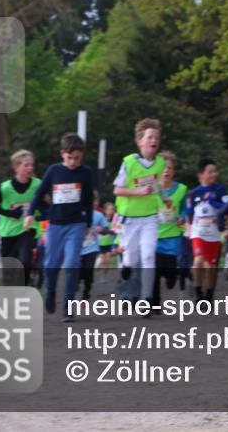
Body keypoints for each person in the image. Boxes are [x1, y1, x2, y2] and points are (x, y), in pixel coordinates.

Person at [24, 133, 95, 321]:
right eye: (70, 158)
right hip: (55, 224)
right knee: (50, 265)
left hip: (76, 224)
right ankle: (51, 291)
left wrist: (88, 223)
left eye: (77, 158)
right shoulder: (54, 170)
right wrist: (30, 213)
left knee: (72, 264)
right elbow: (39, 193)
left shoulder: (85, 172)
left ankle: (68, 307)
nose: (73, 162)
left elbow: (88, 199)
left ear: (82, 156)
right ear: (62, 154)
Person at [113, 118, 167, 306]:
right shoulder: (129, 162)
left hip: (150, 217)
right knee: (132, 257)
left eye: (157, 138)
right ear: (140, 141)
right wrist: (138, 192)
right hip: (130, 218)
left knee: (148, 256)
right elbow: (117, 190)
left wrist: (163, 196)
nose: (154, 141)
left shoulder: (160, 163)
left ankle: (146, 299)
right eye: (150, 137)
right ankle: (126, 264)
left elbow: (157, 185)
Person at [0, 150, 42, 286]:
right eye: (26, 165)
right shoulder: (5, 188)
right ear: (16, 167)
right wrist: (11, 213)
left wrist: (39, 215)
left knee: (25, 261)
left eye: (32, 165)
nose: (30, 168)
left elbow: (46, 204)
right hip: (7, 231)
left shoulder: (37, 185)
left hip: (27, 229)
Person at [186, 158, 228, 302]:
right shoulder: (195, 193)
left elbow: (227, 206)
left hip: (214, 233)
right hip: (198, 232)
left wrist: (213, 202)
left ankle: (209, 295)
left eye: (215, 171)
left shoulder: (220, 190)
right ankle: (199, 294)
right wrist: (188, 226)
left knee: (210, 267)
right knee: (198, 261)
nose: (214, 174)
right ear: (201, 174)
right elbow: (190, 212)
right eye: (210, 171)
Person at [151, 151, 187, 307]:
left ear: (173, 171)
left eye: (170, 168)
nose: (166, 171)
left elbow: (185, 209)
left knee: (170, 275)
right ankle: (155, 303)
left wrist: (183, 217)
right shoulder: (151, 189)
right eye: (164, 168)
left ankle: (174, 277)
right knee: (155, 271)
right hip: (155, 235)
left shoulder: (181, 189)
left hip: (173, 236)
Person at [79, 203, 110, 300]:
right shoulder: (75, 214)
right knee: (79, 272)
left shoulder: (98, 215)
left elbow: (106, 229)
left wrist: (102, 230)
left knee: (89, 270)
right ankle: (77, 282)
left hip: (92, 248)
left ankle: (86, 293)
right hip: (77, 249)